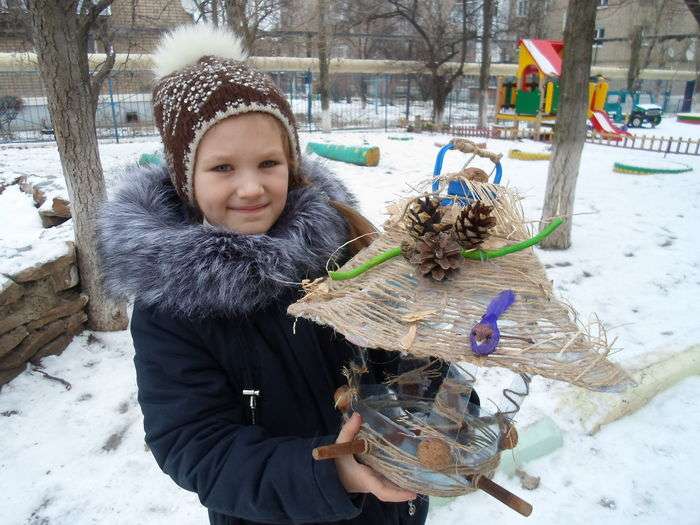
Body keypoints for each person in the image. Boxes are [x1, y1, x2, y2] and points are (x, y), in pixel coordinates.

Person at [97, 24, 429, 525]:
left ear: (292, 165)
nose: (251, 187)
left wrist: (438, 389)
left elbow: (400, 350)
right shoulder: (171, 305)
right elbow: (195, 446)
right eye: (222, 168)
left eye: (269, 162)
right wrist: (331, 473)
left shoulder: (343, 249)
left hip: (389, 508)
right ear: (185, 180)